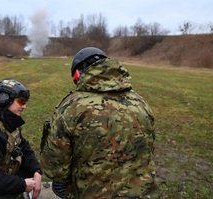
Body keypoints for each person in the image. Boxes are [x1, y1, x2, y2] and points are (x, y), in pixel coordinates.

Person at [40, 47, 158, 198]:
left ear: (78, 74)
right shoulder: (141, 102)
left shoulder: (71, 107)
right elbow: (149, 148)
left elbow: (54, 168)